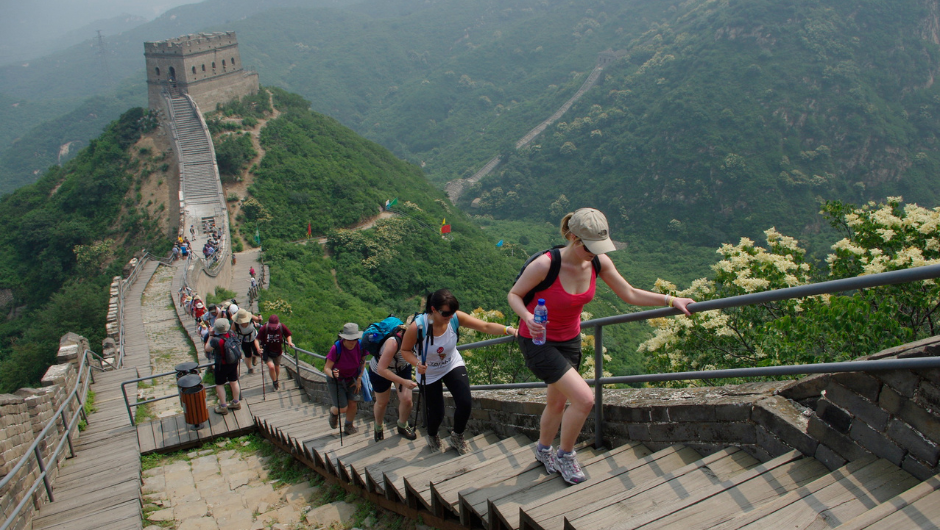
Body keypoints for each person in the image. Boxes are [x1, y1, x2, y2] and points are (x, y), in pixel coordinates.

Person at [508, 208, 695, 485]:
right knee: (584, 399)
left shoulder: (598, 263)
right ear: (573, 237)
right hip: (538, 340)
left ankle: (542, 450)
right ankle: (565, 455)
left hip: (569, 340)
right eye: (589, 247)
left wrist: (669, 300)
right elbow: (514, 295)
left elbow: (629, 293)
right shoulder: (545, 265)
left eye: (599, 247)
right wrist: (527, 317)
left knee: (557, 401)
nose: (594, 253)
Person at [400, 289, 518, 454]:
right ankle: (433, 436)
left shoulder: (454, 317)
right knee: (437, 412)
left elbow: (484, 326)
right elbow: (405, 350)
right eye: (446, 313)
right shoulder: (418, 327)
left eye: (453, 312)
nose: (450, 316)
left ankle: (457, 436)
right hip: (429, 372)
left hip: (451, 364)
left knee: (465, 402)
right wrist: (417, 363)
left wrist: (508, 329)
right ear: (433, 309)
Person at [366, 325, 418, 442]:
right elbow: (382, 369)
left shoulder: (419, 340)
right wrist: (404, 381)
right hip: (379, 370)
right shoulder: (393, 343)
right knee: (382, 402)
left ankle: (402, 425)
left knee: (407, 400)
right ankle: (378, 426)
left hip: (401, 367)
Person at [324, 323, 368, 435]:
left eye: (354, 338)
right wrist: (333, 374)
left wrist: (359, 378)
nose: (352, 341)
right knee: (343, 408)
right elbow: (327, 368)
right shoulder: (336, 348)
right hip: (336, 380)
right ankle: (334, 412)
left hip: (353, 378)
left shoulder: (361, 346)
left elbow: (363, 362)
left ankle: (348, 425)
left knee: (353, 403)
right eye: (349, 339)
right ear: (344, 338)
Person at [204, 318, 242, 415]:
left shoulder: (216, 340)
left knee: (220, 384)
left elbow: (207, 348)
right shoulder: (232, 334)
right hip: (233, 362)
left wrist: (211, 335)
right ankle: (236, 402)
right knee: (234, 381)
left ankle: (223, 406)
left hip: (221, 365)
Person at [257, 314, 294, 390]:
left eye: (274, 326)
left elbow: (288, 335)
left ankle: (277, 379)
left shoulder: (281, 327)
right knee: (271, 367)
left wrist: (289, 342)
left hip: (277, 351)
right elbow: (256, 339)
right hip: (267, 351)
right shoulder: (264, 328)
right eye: (271, 326)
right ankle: (274, 382)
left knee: (277, 367)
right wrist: (258, 348)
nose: (273, 327)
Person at [233, 309, 261, 374]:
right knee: (247, 354)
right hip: (243, 340)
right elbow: (232, 332)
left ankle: (254, 356)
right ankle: (250, 368)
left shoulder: (250, 317)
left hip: (253, 338)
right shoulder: (235, 324)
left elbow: (258, 320)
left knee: (257, 351)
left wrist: (259, 318)